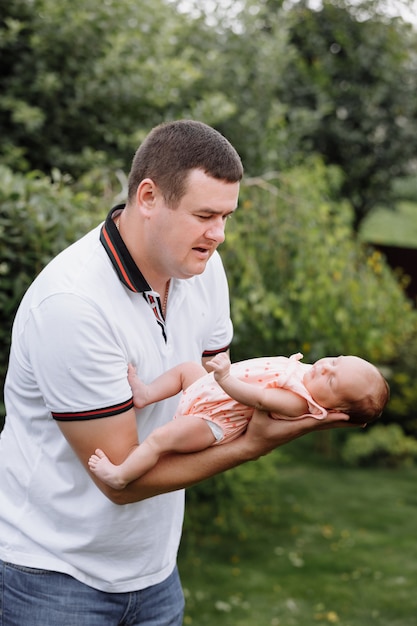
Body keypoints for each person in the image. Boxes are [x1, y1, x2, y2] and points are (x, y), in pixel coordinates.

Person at [0, 120, 352, 626]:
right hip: (52, 577)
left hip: (155, 573)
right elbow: (118, 478)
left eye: (226, 216)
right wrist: (254, 443)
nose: (219, 234)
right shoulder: (73, 304)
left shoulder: (204, 269)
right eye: (204, 215)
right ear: (148, 197)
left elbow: (211, 394)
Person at [88, 352, 389, 489]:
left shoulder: (299, 401)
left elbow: (257, 399)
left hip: (213, 420)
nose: (325, 369)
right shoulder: (309, 375)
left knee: (160, 440)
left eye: (333, 381)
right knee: (186, 368)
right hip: (209, 391)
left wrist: (223, 377)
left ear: (329, 407)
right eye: (334, 361)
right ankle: (146, 393)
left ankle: (121, 476)